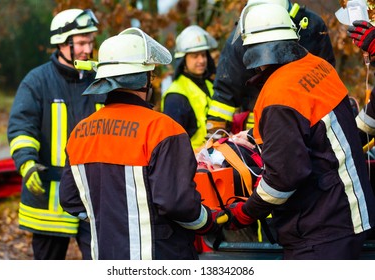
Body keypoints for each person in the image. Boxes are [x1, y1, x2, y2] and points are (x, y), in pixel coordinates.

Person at [221, 3, 375, 260]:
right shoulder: (318, 66)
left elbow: (283, 179)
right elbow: (330, 132)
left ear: (252, 50)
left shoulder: (278, 96)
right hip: (351, 215)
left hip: (320, 230)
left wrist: (246, 212)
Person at [58, 27, 220, 260]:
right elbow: (177, 204)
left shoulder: (80, 132)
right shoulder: (163, 129)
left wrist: (112, 217)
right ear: (145, 79)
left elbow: (70, 200)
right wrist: (210, 222)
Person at [7, 9, 106, 260]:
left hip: (95, 197)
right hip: (49, 203)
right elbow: (21, 127)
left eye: (90, 42)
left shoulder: (101, 82)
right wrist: (27, 163)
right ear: (62, 43)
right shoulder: (37, 81)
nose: (88, 49)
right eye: (82, 43)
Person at [206, 0, 336, 137]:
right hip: (260, 132)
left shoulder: (312, 27)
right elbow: (224, 95)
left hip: (314, 124)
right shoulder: (239, 41)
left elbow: (326, 79)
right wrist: (215, 143)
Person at [161, 25, 217, 149]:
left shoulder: (211, 85)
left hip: (216, 156)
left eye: (203, 55)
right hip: (192, 162)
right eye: (195, 56)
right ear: (183, 60)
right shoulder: (175, 95)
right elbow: (173, 144)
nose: (201, 60)